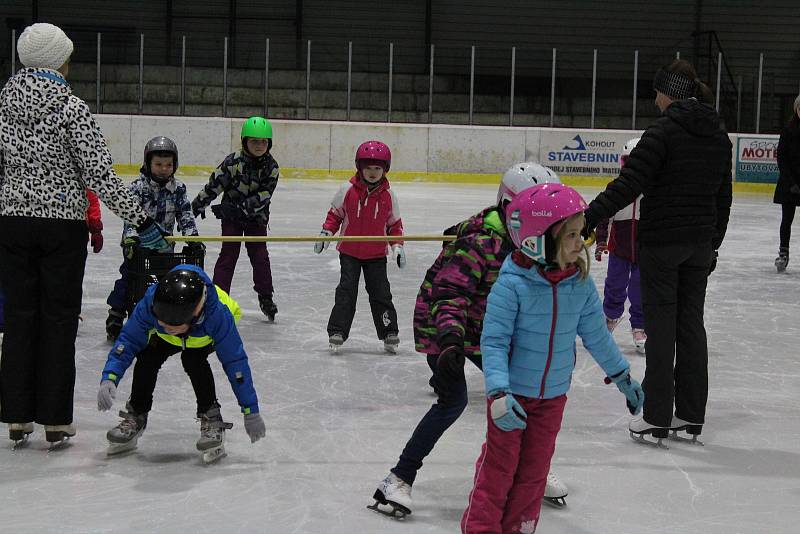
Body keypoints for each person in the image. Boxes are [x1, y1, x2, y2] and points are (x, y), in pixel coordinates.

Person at [0, 22, 171, 448]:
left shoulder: (2, 105)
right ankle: (55, 419)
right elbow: (100, 176)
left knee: (20, 317)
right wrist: (144, 222)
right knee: (58, 319)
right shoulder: (71, 107)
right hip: (60, 227)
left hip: (12, 224)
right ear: (60, 60)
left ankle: (16, 416)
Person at [370, 163, 568, 519]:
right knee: (453, 401)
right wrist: (450, 340)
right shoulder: (480, 242)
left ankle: (530, 470)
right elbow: (449, 294)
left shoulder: (536, 246)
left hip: (489, 332)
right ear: (510, 208)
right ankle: (398, 478)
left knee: (527, 391)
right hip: (445, 329)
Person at [461, 183, 644, 534]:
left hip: (552, 398)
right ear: (538, 240)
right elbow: (494, 342)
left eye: (581, 234)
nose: (581, 242)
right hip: (511, 398)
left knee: (533, 474)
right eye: (572, 235)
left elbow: (597, 336)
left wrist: (622, 376)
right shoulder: (512, 285)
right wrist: (498, 393)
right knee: (499, 471)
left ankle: (520, 528)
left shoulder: (580, 284)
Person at [583, 59, 732, 446]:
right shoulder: (718, 135)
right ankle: (691, 415)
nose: (654, 97)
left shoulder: (662, 132)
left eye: (657, 90)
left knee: (662, 329)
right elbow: (723, 198)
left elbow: (628, 185)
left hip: (663, 245)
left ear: (670, 92)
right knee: (691, 326)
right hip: (698, 246)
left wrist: (589, 216)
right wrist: (712, 243)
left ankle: (656, 416)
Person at [96, 265, 266, 456]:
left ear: (193, 317)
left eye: (173, 326)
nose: (168, 328)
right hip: (173, 336)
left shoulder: (218, 316)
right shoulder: (150, 305)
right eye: (163, 324)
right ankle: (137, 413)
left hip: (204, 335)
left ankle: (211, 415)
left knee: (193, 360)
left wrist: (250, 410)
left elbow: (236, 363)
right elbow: (127, 341)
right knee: (147, 357)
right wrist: (110, 376)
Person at [105, 136, 202, 339]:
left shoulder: (178, 189)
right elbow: (130, 217)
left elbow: (185, 215)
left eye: (168, 165)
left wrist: (192, 238)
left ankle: (166, 317)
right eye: (158, 164)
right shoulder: (137, 188)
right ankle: (116, 312)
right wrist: (131, 239)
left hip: (165, 249)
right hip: (139, 247)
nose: (163, 169)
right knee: (129, 278)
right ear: (148, 163)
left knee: (165, 283)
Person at [314, 140, 405, 354]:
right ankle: (337, 330)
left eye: (377, 168)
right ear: (359, 167)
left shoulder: (389, 196)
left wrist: (397, 247)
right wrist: (326, 233)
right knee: (346, 292)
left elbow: (394, 225)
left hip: (376, 254)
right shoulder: (347, 189)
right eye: (368, 168)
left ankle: (389, 331)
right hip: (349, 253)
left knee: (381, 293)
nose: (373, 173)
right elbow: (335, 215)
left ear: (385, 169)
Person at [191, 117, 280, 321]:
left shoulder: (272, 167)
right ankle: (218, 298)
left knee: (260, 257)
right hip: (231, 219)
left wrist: (237, 209)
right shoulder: (233, 162)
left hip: (255, 220)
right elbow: (215, 185)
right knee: (228, 255)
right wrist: (197, 205)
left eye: (263, 142)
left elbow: (264, 196)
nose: (259, 146)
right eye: (254, 141)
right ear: (244, 141)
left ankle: (266, 296)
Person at [594, 137, 646, 353]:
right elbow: (604, 216)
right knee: (614, 285)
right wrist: (600, 242)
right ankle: (611, 316)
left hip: (645, 250)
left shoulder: (653, 190)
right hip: (619, 249)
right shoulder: (615, 188)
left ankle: (640, 327)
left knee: (640, 288)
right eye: (627, 163)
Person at [773, 94, 800, 272]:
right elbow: (782, 159)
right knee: (787, 220)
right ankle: (783, 252)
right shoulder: (789, 129)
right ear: (796, 109)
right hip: (790, 184)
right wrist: (791, 182)